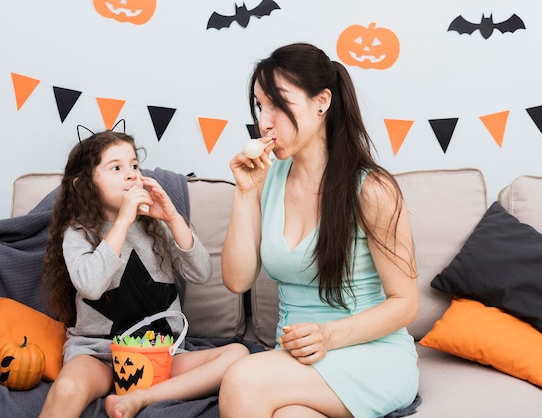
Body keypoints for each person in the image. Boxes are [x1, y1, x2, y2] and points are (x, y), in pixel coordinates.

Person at [219, 43, 419, 418]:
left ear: (321, 101)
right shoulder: (267, 177)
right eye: (260, 106)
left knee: (242, 379)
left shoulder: (373, 190)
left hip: (369, 355)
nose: (264, 121)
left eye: (278, 104)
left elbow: (405, 303)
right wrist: (245, 195)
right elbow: (237, 280)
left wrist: (329, 336)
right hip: (297, 359)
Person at [39, 129, 249, 418]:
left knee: (237, 356)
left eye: (134, 166)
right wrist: (123, 221)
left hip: (160, 355)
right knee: (67, 389)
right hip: (100, 354)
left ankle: (140, 397)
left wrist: (173, 219)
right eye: (116, 167)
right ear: (84, 186)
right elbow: (90, 286)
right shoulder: (78, 233)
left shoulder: (155, 227)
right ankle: (131, 392)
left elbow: (202, 272)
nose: (131, 174)